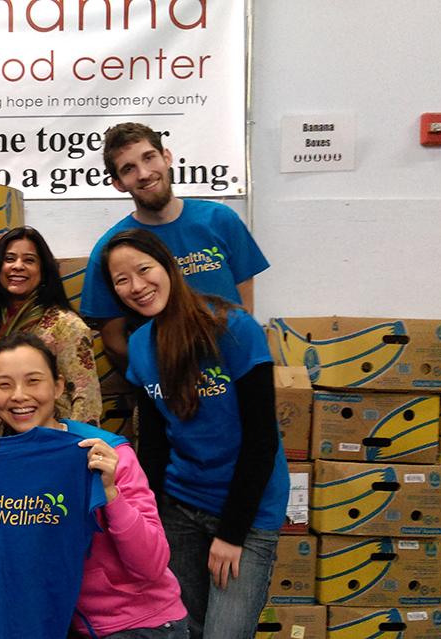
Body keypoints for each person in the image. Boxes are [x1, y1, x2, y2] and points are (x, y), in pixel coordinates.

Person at [0, 333, 188, 639]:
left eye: (33, 381)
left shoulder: (103, 454)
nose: (20, 396)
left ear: (58, 386)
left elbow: (153, 565)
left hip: (143, 623)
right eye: (4, 384)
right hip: (68, 626)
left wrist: (112, 494)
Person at [101, 228, 286, 639]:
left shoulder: (233, 329)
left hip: (246, 512)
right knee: (185, 630)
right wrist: (146, 515)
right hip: (180, 507)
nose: (137, 286)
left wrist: (232, 533)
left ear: (167, 265)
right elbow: (154, 444)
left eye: (144, 269)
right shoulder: (140, 346)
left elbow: (261, 439)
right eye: (121, 280)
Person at [80, 122, 269, 370]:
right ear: (118, 183)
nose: (144, 173)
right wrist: (157, 376)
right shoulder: (111, 249)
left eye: (149, 158)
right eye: (129, 168)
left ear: (166, 157)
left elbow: (245, 306)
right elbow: (113, 340)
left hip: (233, 373)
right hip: (167, 389)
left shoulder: (221, 220)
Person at [0, 226, 101, 431]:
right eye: (9, 259)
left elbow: (87, 398)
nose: (17, 266)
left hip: (54, 441)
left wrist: (75, 448)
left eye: (29, 260)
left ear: (43, 271)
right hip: (5, 441)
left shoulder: (66, 325)